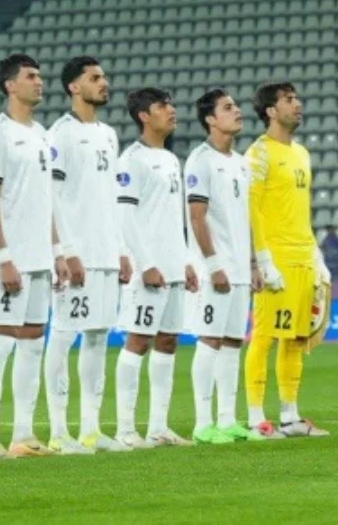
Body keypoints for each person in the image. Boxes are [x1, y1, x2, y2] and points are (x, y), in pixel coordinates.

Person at [0, 54, 68, 459]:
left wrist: (57, 252)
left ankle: (23, 435)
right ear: (10, 85)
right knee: (0, 341)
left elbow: (46, 202)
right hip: (9, 259)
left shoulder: (43, 135)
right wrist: (3, 258)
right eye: (30, 76)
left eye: (39, 76)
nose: (39, 82)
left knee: (32, 343)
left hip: (39, 259)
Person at [45, 57, 131, 454]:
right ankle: (58, 431)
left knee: (98, 336)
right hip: (76, 253)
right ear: (74, 87)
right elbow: (52, 196)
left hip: (106, 253)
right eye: (94, 78)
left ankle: (91, 429)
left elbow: (111, 198)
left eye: (104, 77)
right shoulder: (60, 134)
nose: (103, 83)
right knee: (64, 333)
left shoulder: (109, 135)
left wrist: (121, 249)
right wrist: (65, 250)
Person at [245, 82, 332, 438]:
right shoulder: (258, 153)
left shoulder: (302, 153)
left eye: (296, 98)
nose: (297, 104)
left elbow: (302, 211)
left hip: (303, 257)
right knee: (264, 337)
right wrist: (262, 260)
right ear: (270, 110)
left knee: (296, 338)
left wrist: (316, 255)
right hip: (276, 258)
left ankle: (290, 416)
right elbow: (252, 209)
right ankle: (255, 419)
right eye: (288, 100)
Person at [114, 88, 199, 448]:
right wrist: (145, 263)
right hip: (148, 269)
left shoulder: (170, 159)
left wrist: (186, 261)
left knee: (167, 341)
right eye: (162, 106)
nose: (171, 110)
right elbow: (125, 215)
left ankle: (158, 427)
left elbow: (171, 218)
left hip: (173, 267)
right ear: (144, 116)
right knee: (138, 341)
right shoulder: (132, 159)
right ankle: (125, 429)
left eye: (171, 105)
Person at [185, 89, 266, 445]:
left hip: (239, 270)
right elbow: (197, 217)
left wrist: (252, 264)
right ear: (210, 119)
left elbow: (245, 218)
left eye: (235, 106)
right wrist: (214, 264)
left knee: (233, 342)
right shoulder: (200, 160)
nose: (237, 111)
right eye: (228, 108)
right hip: (213, 270)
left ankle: (227, 420)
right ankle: (203, 424)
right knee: (210, 339)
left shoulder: (240, 163)